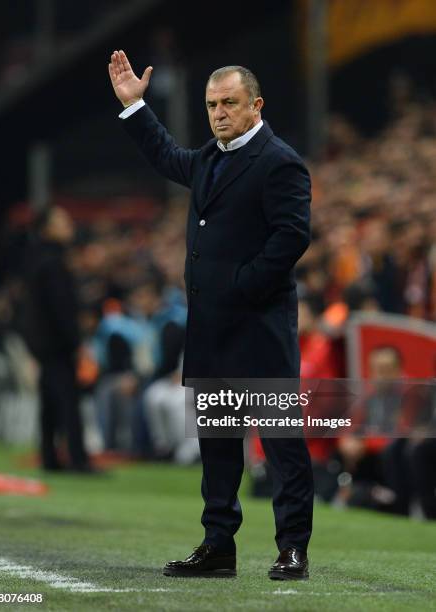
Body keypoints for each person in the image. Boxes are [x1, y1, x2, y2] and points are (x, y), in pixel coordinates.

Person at [108, 50, 313, 580]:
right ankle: (219, 545)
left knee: (282, 444)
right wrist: (135, 107)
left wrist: (240, 288)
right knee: (218, 448)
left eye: (229, 103)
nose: (219, 112)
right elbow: (165, 155)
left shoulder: (280, 160)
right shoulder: (208, 157)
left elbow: (291, 237)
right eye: (211, 104)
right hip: (212, 330)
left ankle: (293, 547)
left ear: (256, 105)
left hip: (259, 327)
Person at [23, 207, 91, 472]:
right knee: (67, 401)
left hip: (43, 343)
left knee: (50, 403)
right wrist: (75, 342)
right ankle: (78, 459)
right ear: (47, 229)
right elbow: (60, 308)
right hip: (56, 344)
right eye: (62, 221)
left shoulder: (35, 258)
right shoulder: (53, 262)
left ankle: (50, 458)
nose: (69, 225)